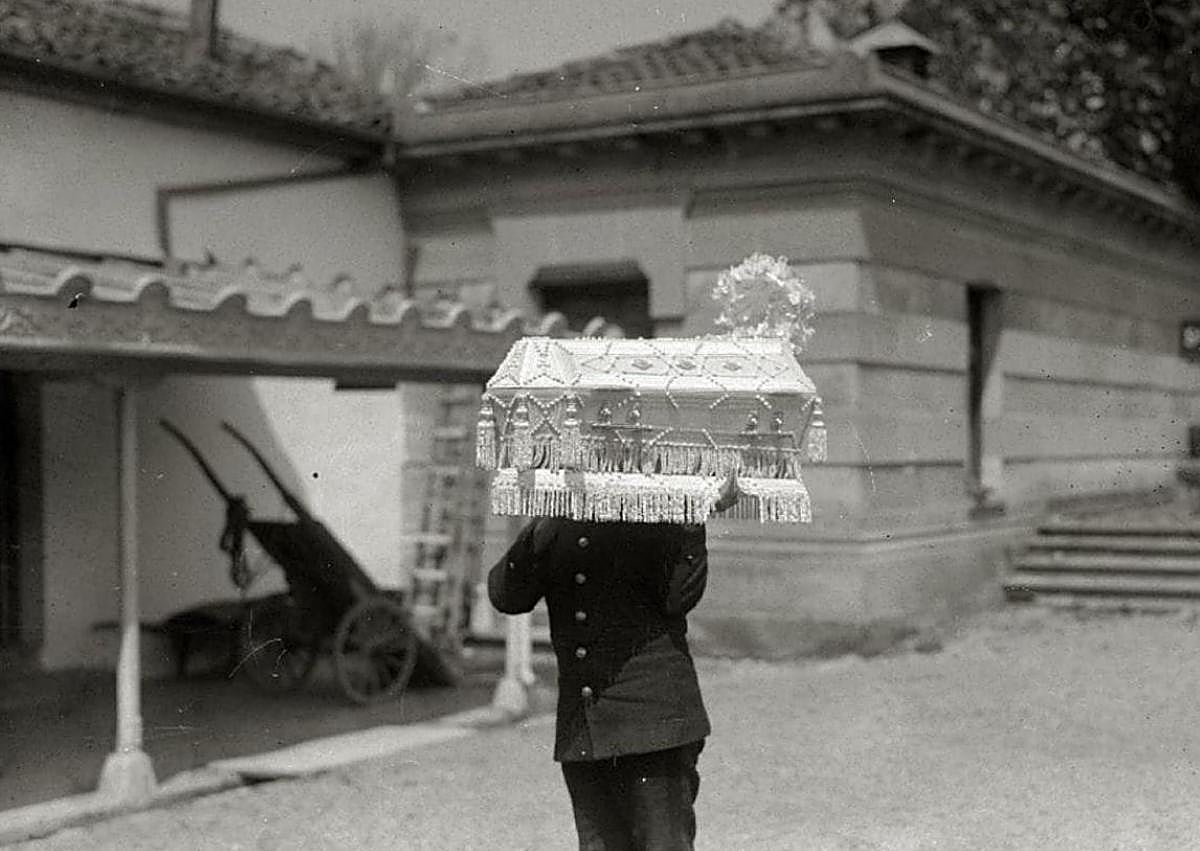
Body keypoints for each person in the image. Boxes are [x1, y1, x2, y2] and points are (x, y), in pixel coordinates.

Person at [487, 474, 739, 851]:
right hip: (585, 730)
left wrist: (691, 520)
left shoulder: (652, 500)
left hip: (654, 724)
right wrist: (540, 531)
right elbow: (507, 597)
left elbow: (680, 597)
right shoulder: (559, 518)